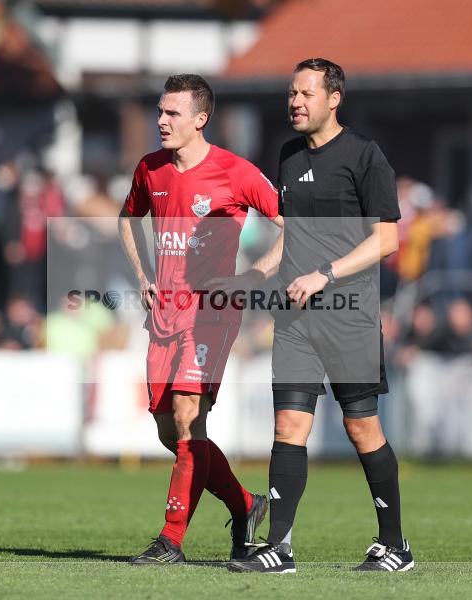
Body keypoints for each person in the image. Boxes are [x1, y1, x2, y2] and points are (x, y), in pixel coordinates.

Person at [228, 58, 412, 574]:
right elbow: (290, 237)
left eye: (306, 93)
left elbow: (388, 239)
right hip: (295, 318)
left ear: (334, 99)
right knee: (288, 426)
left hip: (349, 314)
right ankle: (279, 547)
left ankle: (395, 545)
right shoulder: (287, 156)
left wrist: (325, 274)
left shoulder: (365, 156)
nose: (295, 101)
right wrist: (256, 274)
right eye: (291, 93)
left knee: (362, 430)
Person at [119, 74, 284, 564]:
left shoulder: (235, 172)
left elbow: (293, 227)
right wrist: (144, 275)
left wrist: (253, 275)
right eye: (160, 111)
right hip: (164, 315)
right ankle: (245, 504)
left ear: (200, 119)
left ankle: (170, 540)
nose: (161, 120)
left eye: (172, 113)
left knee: (191, 419)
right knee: (171, 433)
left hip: (211, 313)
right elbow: (128, 219)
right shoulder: (150, 169)